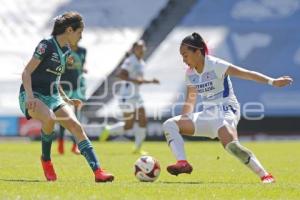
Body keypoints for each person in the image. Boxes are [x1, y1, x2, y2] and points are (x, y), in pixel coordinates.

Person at [162, 32, 293, 183]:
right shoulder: (190, 73)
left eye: (185, 55)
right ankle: (183, 163)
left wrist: (273, 81)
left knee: (231, 146)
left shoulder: (216, 65)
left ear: (197, 52)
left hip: (226, 110)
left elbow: (247, 74)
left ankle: (265, 175)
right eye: (182, 56)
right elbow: (191, 99)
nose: (183, 59)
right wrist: (185, 119)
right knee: (170, 124)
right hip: (207, 115)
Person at [18, 11, 114, 182]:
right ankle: (46, 160)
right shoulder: (46, 45)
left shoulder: (67, 50)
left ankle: (98, 172)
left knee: (76, 126)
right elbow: (26, 72)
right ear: (69, 30)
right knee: (49, 119)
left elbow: (55, 79)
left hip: (53, 95)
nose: (81, 37)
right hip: (32, 94)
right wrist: (31, 97)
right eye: (80, 33)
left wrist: (67, 99)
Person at [100, 40, 159, 155]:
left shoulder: (142, 63)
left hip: (136, 95)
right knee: (128, 125)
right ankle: (108, 130)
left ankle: (137, 148)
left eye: (142, 47)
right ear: (134, 49)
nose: (141, 49)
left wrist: (151, 81)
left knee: (143, 120)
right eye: (138, 47)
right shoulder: (130, 61)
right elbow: (120, 74)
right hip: (126, 95)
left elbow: (139, 80)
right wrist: (135, 80)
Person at [58, 42, 88, 155]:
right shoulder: (63, 50)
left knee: (77, 117)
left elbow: (81, 65)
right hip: (65, 86)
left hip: (78, 87)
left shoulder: (83, 51)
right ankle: (60, 142)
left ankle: (75, 146)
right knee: (63, 116)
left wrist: (83, 69)